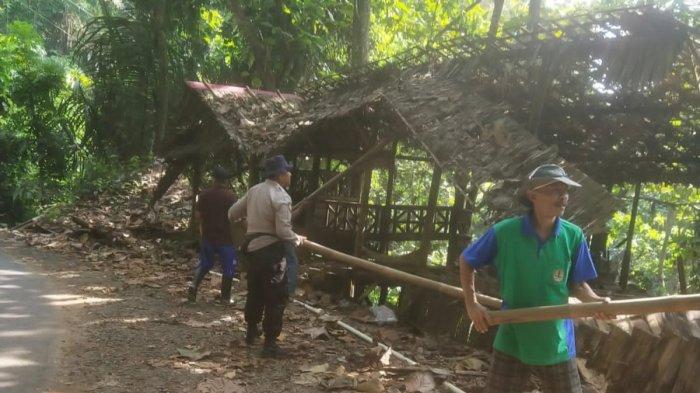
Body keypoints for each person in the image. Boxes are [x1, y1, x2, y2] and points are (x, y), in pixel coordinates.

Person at [459, 164, 612, 393]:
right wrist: (472, 305)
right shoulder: (505, 233)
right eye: (554, 191)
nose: (563, 197)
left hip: (555, 337)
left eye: (565, 191)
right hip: (513, 332)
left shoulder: (573, 236)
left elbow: (577, 284)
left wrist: (594, 301)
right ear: (533, 196)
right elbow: (467, 260)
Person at [228, 154, 305, 358]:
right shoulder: (281, 197)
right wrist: (296, 239)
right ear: (280, 175)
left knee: (256, 291)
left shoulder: (254, 191)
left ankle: (251, 331)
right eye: (287, 171)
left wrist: (253, 222)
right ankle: (270, 344)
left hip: (252, 251)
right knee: (276, 297)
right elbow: (282, 232)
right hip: (271, 252)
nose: (290, 174)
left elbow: (232, 213)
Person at [187, 166, 238, 304]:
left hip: (208, 236)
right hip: (226, 238)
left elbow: (198, 216)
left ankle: (193, 287)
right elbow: (235, 217)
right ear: (226, 181)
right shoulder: (231, 196)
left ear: (214, 179)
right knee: (228, 267)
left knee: (205, 263)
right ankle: (225, 298)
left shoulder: (204, 195)